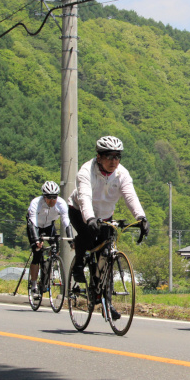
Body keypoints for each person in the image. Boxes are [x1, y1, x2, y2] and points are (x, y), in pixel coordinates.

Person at [67, 136, 149, 318]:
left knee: (107, 257)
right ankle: (78, 264)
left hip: (105, 215)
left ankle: (107, 302)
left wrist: (141, 217)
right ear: (99, 157)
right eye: (109, 156)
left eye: (117, 156)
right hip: (80, 211)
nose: (114, 161)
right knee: (88, 236)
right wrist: (89, 218)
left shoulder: (122, 174)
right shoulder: (85, 172)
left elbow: (130, 196)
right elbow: (84, 197)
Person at [25, 181, 74, 297]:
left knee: (55, 248)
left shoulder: (61, 203)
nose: (52, 200)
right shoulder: (36, 203)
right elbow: (33, 222)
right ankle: (33, 286)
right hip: (35, 226)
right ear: (44, 196)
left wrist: (71, 240)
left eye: (54, 197)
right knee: (37, 254)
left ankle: (49, 268)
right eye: (49, 198)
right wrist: (37, 240)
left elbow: (66, 222)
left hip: (49, 226)